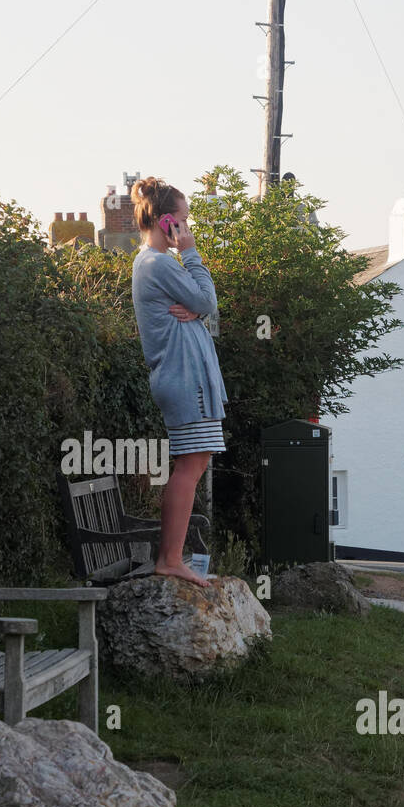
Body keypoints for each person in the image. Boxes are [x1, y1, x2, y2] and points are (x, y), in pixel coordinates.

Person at [129, 177, 227, 588]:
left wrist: (200, 312)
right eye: (183, 220)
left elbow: (205, 311)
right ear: (166, 220)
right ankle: (169, 559)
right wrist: (191, 254)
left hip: (185, 378)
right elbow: (207, 301)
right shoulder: (160, 262)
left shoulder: (152, 264)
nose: (187, 228)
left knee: (195, 461)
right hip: (185, 380)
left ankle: (171, 557)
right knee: (190, 465)